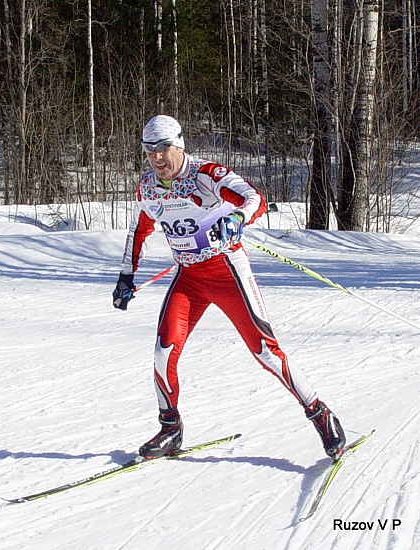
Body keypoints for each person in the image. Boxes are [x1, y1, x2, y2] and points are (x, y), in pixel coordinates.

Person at [112, 115, 346, 460]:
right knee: (163, 352)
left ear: (179, 145)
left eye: (164, 148)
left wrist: (236, 217)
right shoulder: (148, 186)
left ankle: (320, 413)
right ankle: (170, 428)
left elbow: (254, 198)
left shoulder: (205, 174)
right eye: (149, 150)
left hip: (226, 272)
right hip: (189, 278)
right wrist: (125, 277)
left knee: (265, 352)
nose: (157, 157)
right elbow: (139, 230)